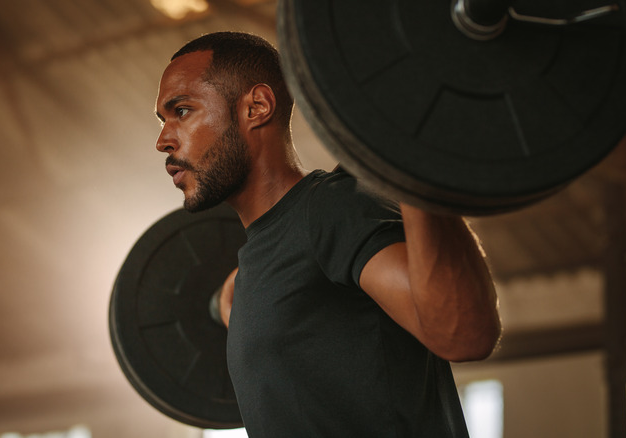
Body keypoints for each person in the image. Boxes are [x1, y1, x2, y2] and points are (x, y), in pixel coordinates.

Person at [155, 31, 501, 438]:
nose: (163, 140)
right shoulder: (258, 262)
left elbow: (464, 334)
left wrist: (411, 160)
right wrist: (236, 299)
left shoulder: (332, 209)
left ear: (257, 107)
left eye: (181, 111)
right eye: (163, 121)